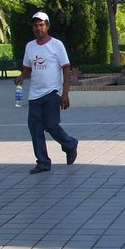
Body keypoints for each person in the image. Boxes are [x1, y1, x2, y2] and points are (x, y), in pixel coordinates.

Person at [15, 11, 79, 174]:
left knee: (51, 125)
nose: (38, 28)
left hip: (52, 92)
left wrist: (65, 93)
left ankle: (70, 143)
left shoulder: (56, 45)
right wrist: (21, 77)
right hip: (35, 95)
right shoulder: (30, 46)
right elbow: (28, 69)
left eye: (41, 24)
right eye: (35, 25)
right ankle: (43, 162)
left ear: (47, 26)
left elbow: (66, 68)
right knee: (35, 128)